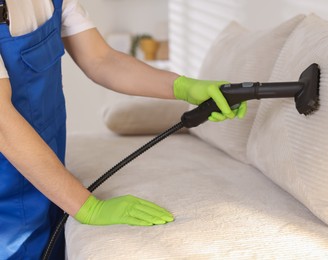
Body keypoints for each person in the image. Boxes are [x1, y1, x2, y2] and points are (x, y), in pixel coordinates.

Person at [0, 0, 247, 259]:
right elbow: (3, 124)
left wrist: (186, 87)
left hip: (46, 173)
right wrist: (88, 208)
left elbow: (101, 59)